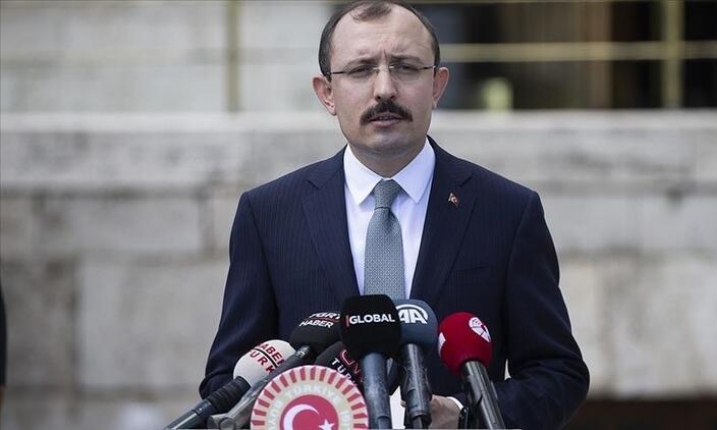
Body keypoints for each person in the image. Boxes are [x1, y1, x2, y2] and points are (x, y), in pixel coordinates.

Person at [200, 1, 589, 428]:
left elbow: (558, 375)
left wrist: (463, 415)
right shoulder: (269, 215)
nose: (384, 89)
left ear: (437, 85)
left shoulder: (507, 211)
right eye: (361, 69)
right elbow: (228, 382)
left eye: (405, 67)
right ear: (326, 93)